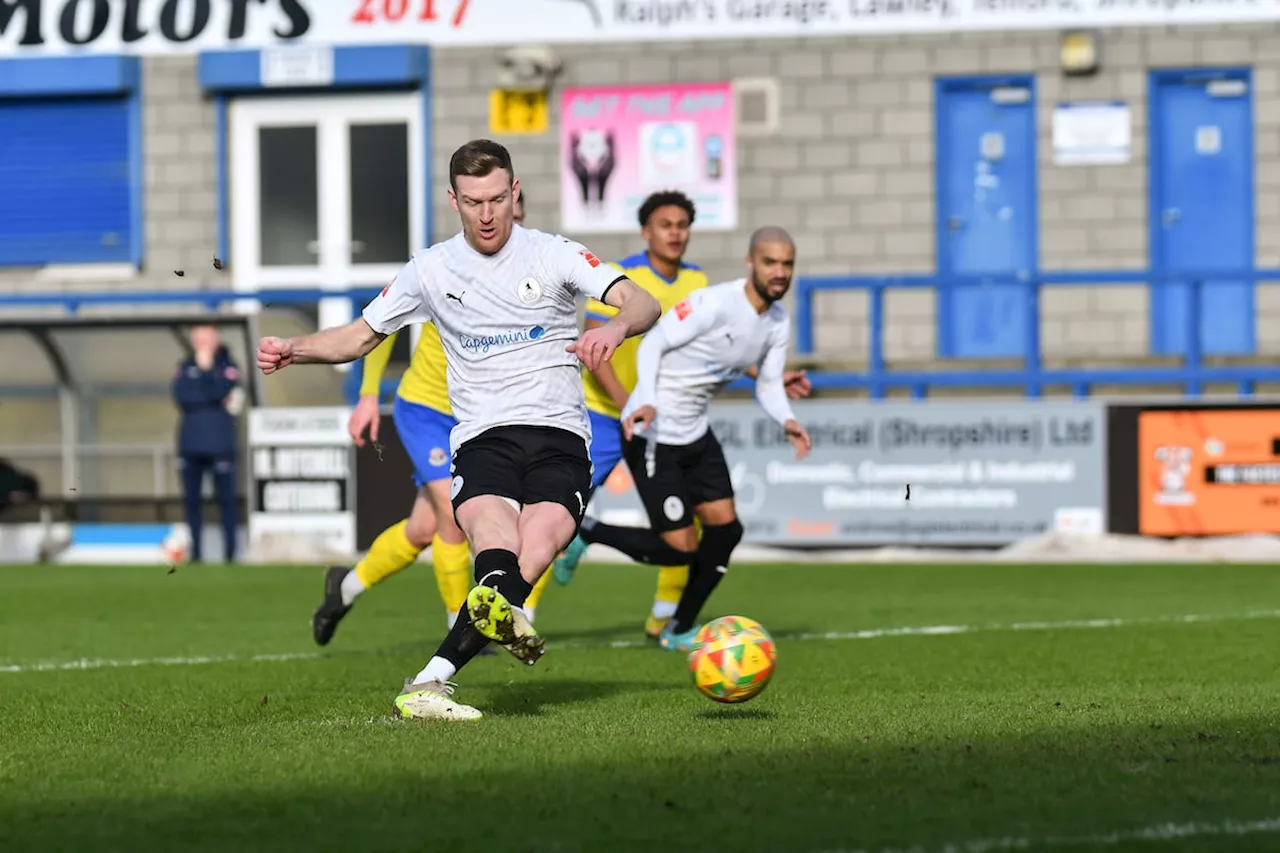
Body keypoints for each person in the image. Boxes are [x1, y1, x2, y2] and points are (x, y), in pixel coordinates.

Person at [256, 139, 661, 721]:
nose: (488, 213)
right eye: (474, 202)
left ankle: (432, 678)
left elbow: (642, 302)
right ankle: (441, 669)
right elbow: (360, 336)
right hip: (483, 436)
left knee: (540, 545)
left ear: (515, 192)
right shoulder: (430, 269)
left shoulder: (556, 254)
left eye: (498, 198)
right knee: (492, 540)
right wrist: (296, 348)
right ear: (454, 200)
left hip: (561, 437)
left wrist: (618, 326)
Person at [552, 193, 812, 641]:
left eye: (787, 264)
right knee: (680, 548)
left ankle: (677, 628)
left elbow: (765, 380)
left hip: (694, 434)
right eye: (771, 262)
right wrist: (643, 399)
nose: (780, 273)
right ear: (751, 262)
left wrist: (786, 419)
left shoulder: (776, 319)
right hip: (652, 432)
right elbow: (654, 343)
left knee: (725, 532)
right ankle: (588, 533)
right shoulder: (712, 300)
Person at [311, 182, 549, 647]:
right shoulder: (443, 266)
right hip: (425, 409)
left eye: (508, 209)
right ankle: (461, 633)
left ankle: (345, 587)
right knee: (456, 518)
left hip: (478, 420)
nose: (498, 217)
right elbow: (378, 324)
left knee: (424, 528)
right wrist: (366, 396)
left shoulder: (535, 273)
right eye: (485, 206)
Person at [172, 324, 242, 563]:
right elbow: (183, 397)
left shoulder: (228, 365)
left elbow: (219, 391)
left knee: (226, 501)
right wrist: (207, 391)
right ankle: (197, 554)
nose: (201, 343)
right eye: (197, 338)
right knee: (192, 502)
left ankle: (231, 554)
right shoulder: (183, 366)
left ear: (216, 338)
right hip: (190, 445)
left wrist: (205, 371)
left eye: (206, 337)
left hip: (220, 444)